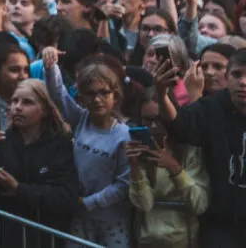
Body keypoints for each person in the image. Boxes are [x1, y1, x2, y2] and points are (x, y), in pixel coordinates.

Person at [0, 79, 80, 247]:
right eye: (14, 101)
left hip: (45, 237)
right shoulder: (2, 141)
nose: (17, 107)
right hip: (5, 236)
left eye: (27, 102)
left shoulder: (59, 145)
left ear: (44, 110)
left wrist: (18, 189)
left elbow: (65, 195)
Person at [154, 48, 246, 246]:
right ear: (226, 78)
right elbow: (179, 125)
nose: (243, 82)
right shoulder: (212, 108)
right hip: (222, 223)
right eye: (237, 75)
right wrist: (162, 95)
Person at [43, 47, 132, 247]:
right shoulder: (81, 119)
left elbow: (124, 184)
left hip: (112, 219)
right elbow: (59, 94)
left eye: (104, 93)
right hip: (80, 217)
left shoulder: (123, 135)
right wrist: (51, 66)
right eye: (90, 94)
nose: (97, 99)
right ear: (82, 97)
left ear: (115, 96)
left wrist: (89, 202)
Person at [126, 101, 210, 248]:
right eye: (147, 120)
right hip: (147, 240)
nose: (152, 127)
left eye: (158, 119)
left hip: (182, 240)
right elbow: (144, 204)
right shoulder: (141, 154)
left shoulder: (189, 152)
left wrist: (174, 167)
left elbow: (199, 204)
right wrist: (134, 167)